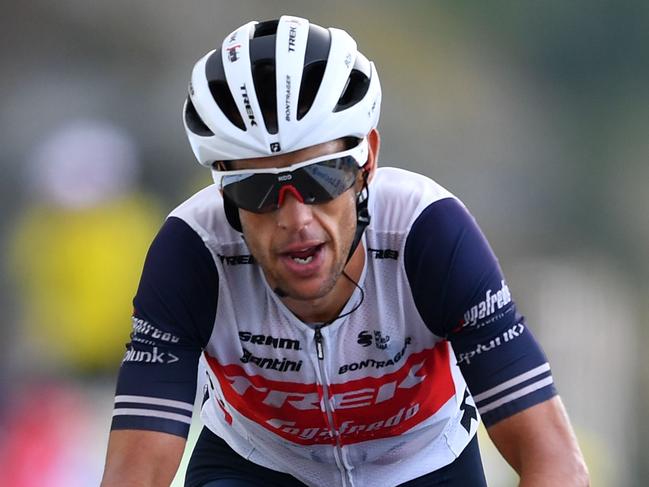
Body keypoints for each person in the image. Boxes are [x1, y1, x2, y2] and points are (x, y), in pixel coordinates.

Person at [101, 15, 589, 487]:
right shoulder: (193, 253)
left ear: (367, 162)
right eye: (257, 190)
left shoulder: (427, 234)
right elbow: (132, 476)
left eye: (321, 177)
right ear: (225, 194)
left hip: (420, 463)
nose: (296, 219)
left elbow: (557, 464)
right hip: (258, 464)